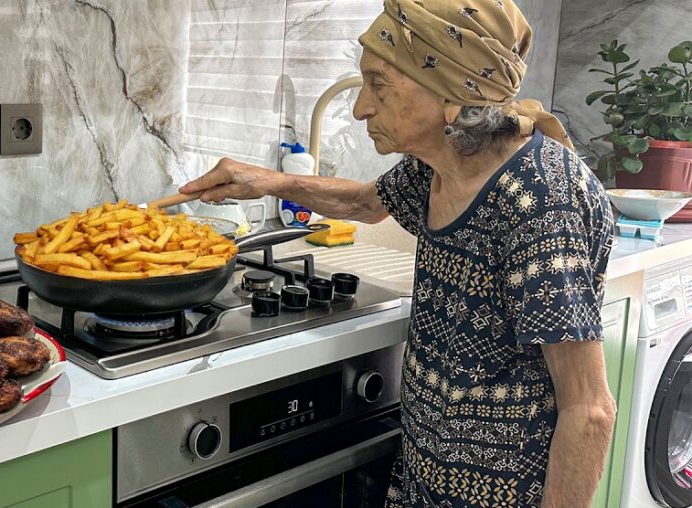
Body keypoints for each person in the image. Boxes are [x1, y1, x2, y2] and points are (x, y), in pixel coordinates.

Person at [180, 1, 616, 507]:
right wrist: (266, 181)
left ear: (454, 96)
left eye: (378, 84)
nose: (362, 107)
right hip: (425, 479)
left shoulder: (539, 202)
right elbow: (367, 203)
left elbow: (589, 408)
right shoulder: (445, 161)